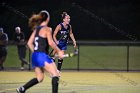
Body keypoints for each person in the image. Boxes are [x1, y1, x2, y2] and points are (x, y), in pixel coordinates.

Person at [16, 10, 64, 93]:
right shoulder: (47, 29)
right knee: (56, 74)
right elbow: (51, 42)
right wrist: (59, 51)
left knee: (40, 78)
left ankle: (22, 89)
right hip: (41, 56)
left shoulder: (36, 29)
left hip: (35, 56)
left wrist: (36, 52)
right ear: (47, 19)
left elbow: (29, 43)